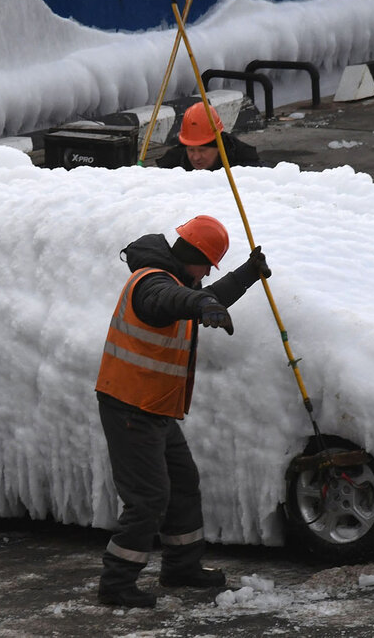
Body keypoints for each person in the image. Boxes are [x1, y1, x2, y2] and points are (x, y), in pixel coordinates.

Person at [94, 214, 270, 608]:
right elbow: (170, 300)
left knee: (183, 484)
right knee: (148, 499)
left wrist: (247, 274)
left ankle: (181, 568)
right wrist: (202, 301)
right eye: (207, 264)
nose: (208, 273)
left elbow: (196, 297)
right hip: (129, 405)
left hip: (154, 407)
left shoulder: (177, 281)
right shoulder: (151, 283)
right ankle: (116, 583)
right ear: (192, 256)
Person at [155, 103, 265, 171]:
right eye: (191, 150)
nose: (196, 157)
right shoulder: (171, 163)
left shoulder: (245, 163)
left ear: (219, 147)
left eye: (202, 150)